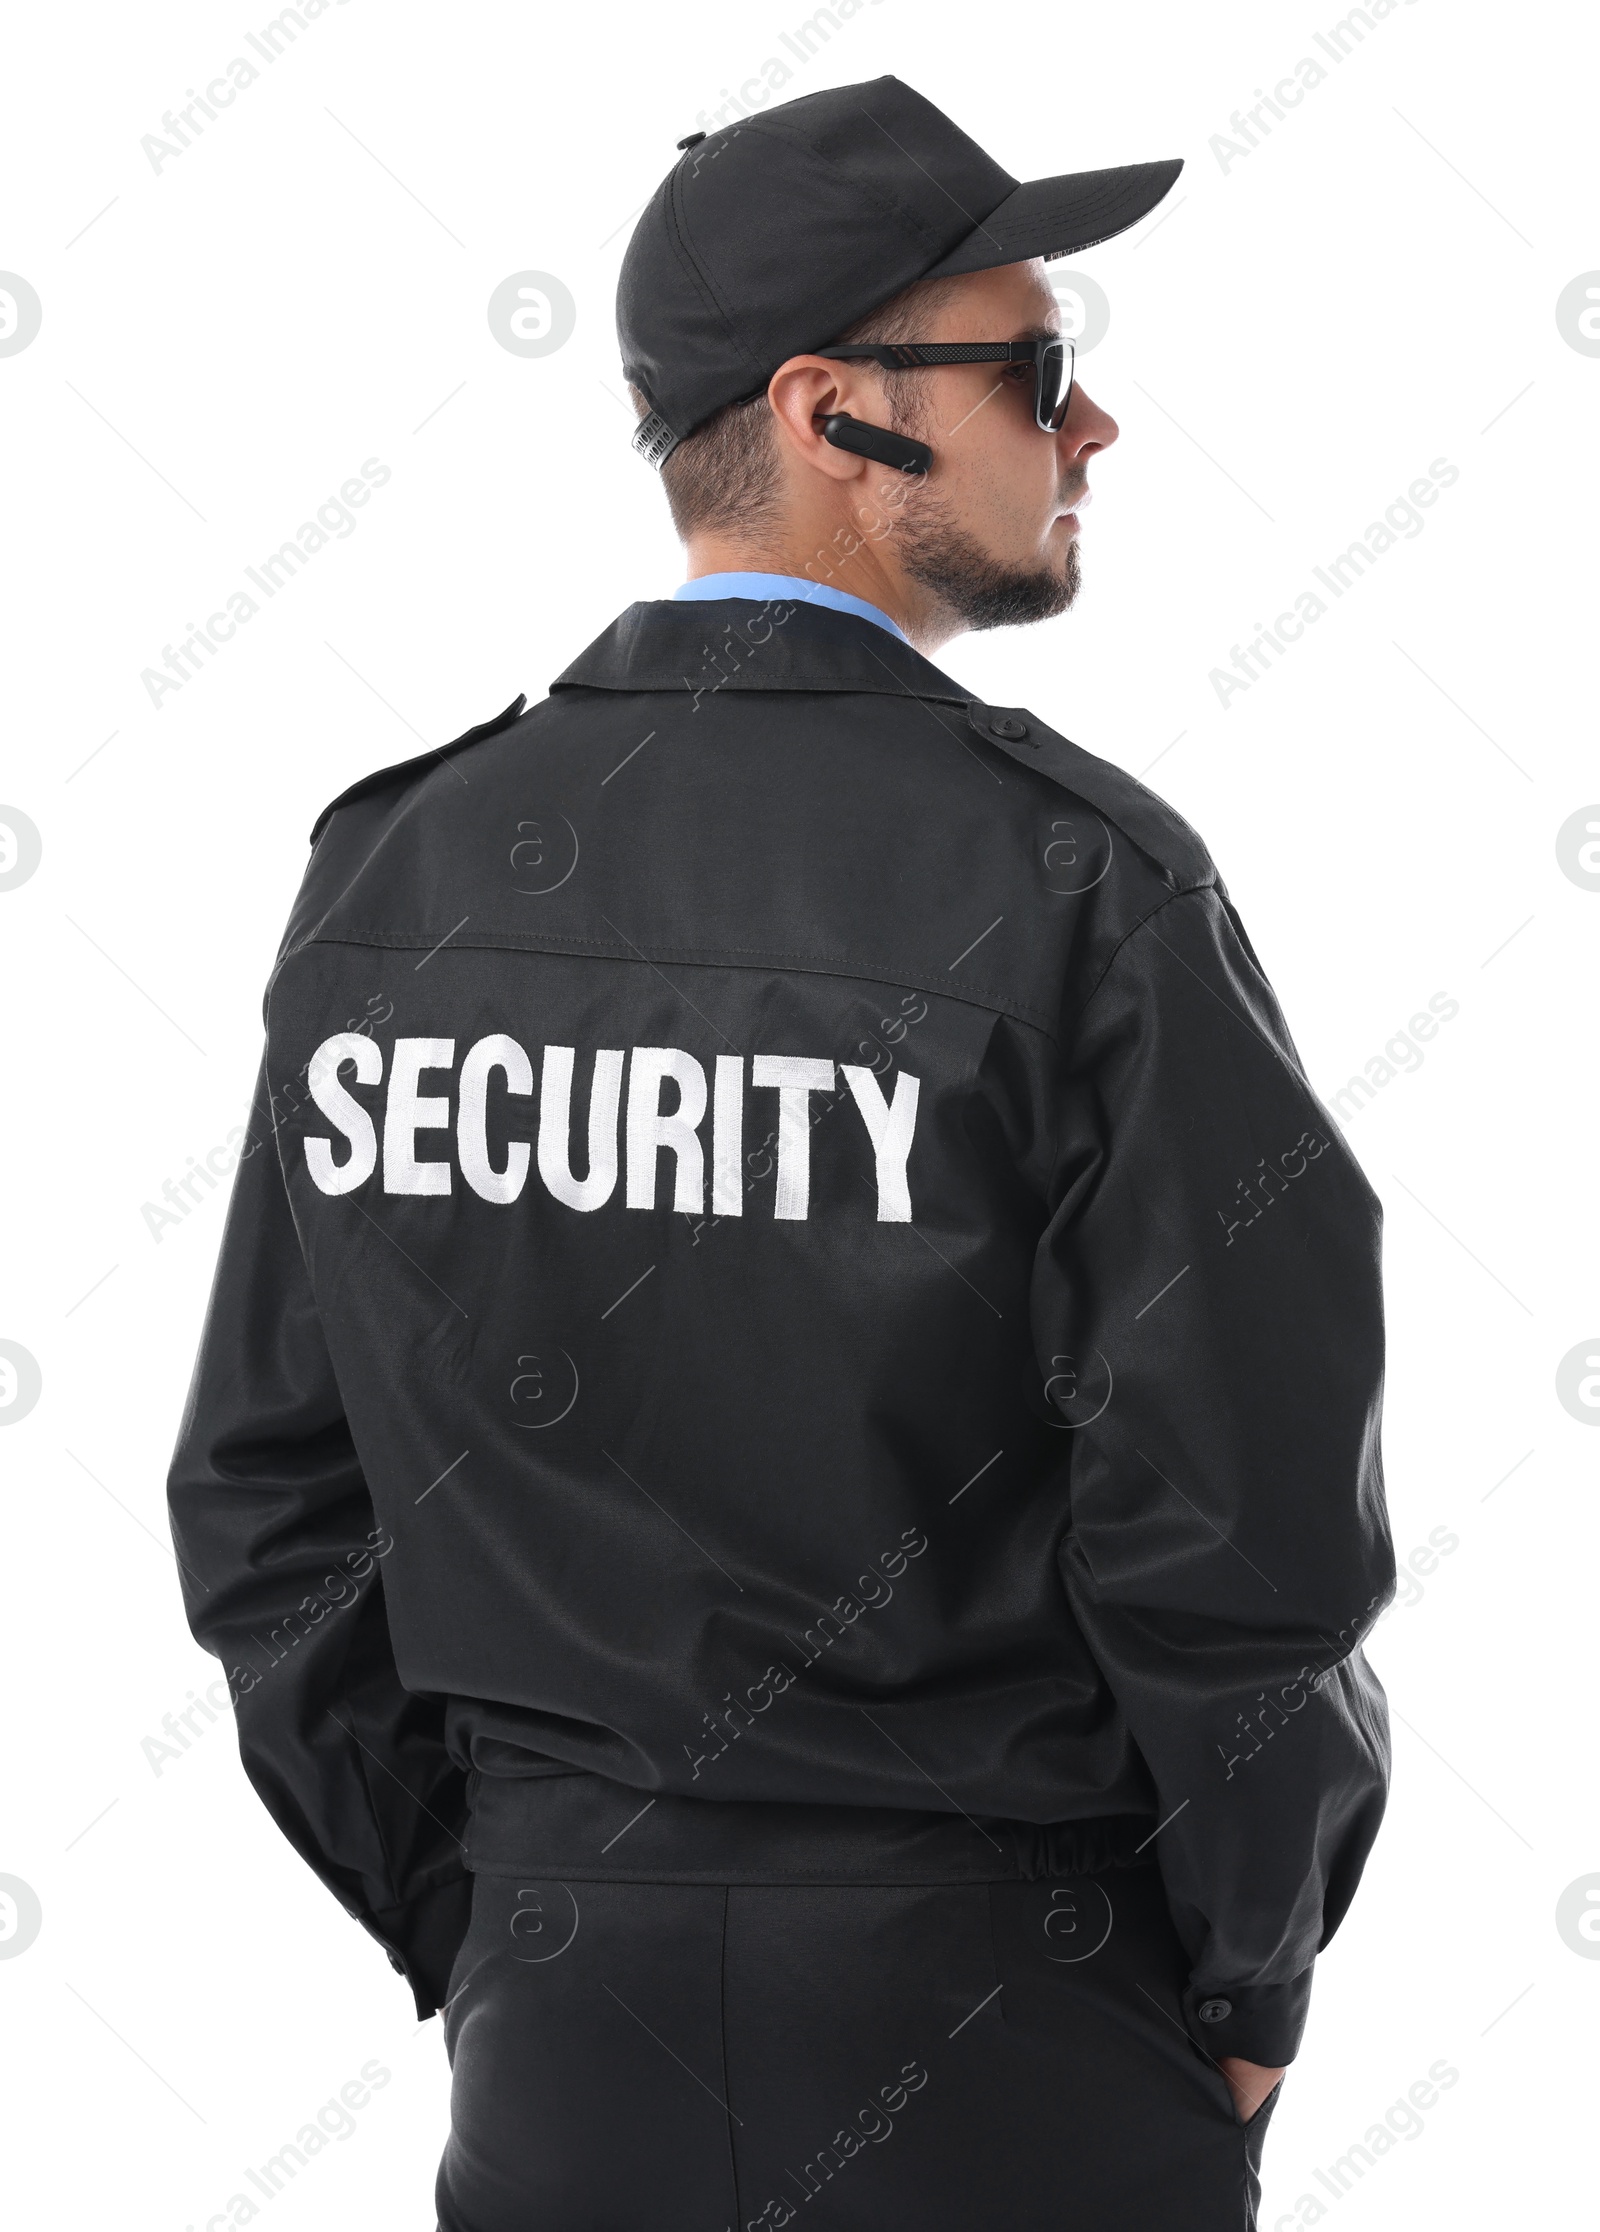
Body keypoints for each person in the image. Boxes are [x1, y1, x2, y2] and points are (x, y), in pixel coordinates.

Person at [168, 76, 1394, 2231]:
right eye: (1032, 368)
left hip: (560, 2048)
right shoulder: (1076, 889)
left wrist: (489, 1915)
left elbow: (273, 1515)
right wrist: (1249, 1965)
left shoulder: (400, 876)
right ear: (837, 414)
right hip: (1013, 2020)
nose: (1086, 426)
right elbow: (1235, 1539)